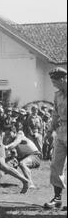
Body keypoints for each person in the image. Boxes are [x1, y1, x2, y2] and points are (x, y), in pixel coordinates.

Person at [44, 68, 67, 210]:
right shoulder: (58, 95)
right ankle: (57, 198)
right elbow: (55, 114)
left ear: (63, 79)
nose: (53, 84)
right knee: (55, 165)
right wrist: (49, 131)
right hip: (61, 132)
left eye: (55, 81)